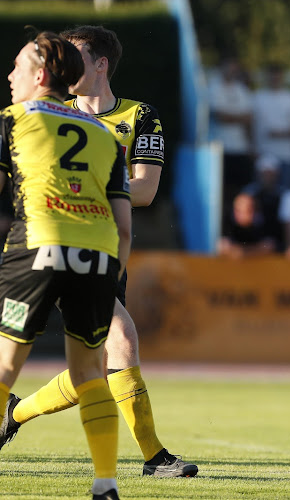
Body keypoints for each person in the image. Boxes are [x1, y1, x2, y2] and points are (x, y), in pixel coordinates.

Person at [0, 25, 198, 478]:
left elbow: (146, 190)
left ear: (101, 63)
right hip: (50, 242)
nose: (64, 65)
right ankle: (154, 459)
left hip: (99, 248)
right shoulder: (48, 110)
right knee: (116, 346)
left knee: (100, 361)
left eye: (76, 56)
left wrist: (95, 180)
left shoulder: (138, 116)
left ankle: (14, 415)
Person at [0, 31, 132, 500]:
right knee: (91, 375)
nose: (10, 75)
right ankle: (106, 484)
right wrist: (112, 281)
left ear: (40, 75)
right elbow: (124, 225)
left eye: (16, 66)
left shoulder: (11, 120)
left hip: (37, 248)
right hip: (97, 258)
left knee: (5, 366)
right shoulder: (104, 134)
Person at [208, 57, 256, 218]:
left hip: (240, 149)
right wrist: (239, 117)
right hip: (220, 149)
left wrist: (251, 145)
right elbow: (219, 116)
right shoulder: (213, 87)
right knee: (222, 192)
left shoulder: (241, 89)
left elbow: (249, 118)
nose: (232, 71)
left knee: (241, 192)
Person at [253, 63, 290, 191]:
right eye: (271, 75)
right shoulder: (257, 97)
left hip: (286, 155)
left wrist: (281, 134)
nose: (274, 78)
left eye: (277, 75)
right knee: (262, 193)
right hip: (263, 154)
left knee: (285, 192)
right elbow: (249, 124)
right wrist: (252, 147)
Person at [217, 191, 277, 259]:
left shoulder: (263, 222)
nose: (239, 214)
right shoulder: (228, 221)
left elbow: (270, 245)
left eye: (246, 211)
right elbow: (222, 246)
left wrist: (246, 252)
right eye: (237, 210)